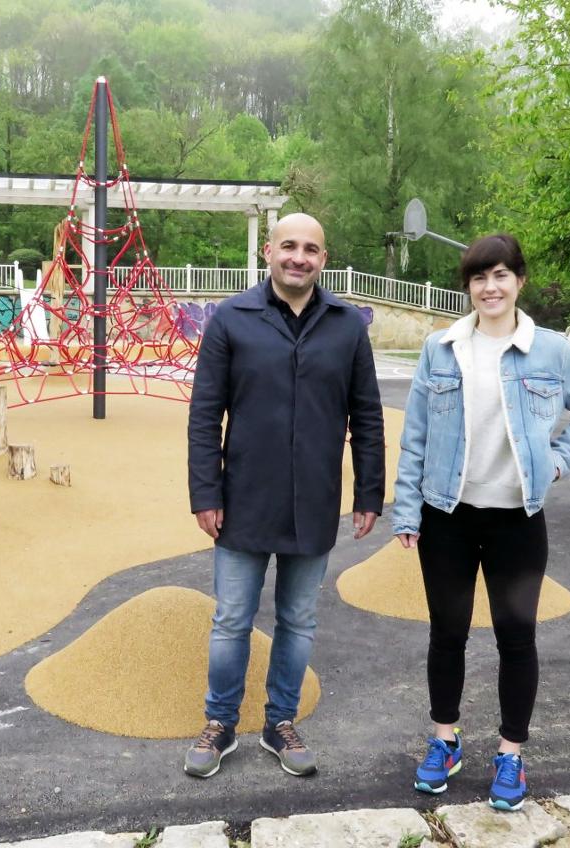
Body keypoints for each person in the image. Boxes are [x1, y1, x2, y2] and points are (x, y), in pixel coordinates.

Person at [392, 233, 570, 810]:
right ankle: (445, 741)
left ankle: (510, 753)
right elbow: (416, 436)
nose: (489, 288)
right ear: (468, 286)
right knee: (448, 632)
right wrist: (406, 509)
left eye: (500, 276)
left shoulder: (552, 352)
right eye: (478, 277)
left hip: (518, 520)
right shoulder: (441, 348)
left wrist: (558, 461)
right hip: (447, 516)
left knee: (517, 637)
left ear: (519, 281)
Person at [185, 212, 385, 778]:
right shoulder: (231, 319)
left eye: (311, 249)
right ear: (268, 252)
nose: (299, 257)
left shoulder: (347, 326)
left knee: (298, 620)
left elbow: (367, 415)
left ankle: (280, 723)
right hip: (243, 498)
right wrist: (205, 492)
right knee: (232, 619)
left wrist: (369, 492)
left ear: (324, 259)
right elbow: (205, 414)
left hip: (314, 500)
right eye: (289, 246)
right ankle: (220, 723)